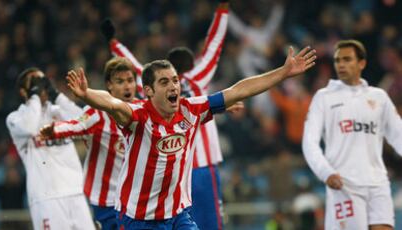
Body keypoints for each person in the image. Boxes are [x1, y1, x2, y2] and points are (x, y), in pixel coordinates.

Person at [65, 45, 316, 229]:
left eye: (174, 80)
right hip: (139, 218)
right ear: (149, 91)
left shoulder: (191, 108)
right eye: (164, 82)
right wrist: (86, 94)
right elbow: (112, 104)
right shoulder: (138, 115)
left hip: (178, 215)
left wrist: (282, 73)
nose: (173, 86)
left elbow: (239, 89)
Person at [100, 1, 229, 228]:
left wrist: (113, 42)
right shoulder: (199, 78)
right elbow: (214, 46)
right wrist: (223, 10)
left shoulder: (155, 83)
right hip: (203, 168)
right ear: (190, 64)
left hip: (170, 179)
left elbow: (132, 65)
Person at [302, 39, 402, 230]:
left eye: (347, 59)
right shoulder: (324, 98)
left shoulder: (379, 97)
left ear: (361, 63)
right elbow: (309, 142)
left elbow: (399, 135)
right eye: (338, 60)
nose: (341, 64)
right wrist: (325, 172)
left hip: (378, 183)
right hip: (344, 184)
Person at [40, 57, 138, 229]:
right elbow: (77, 124)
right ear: (109, 85)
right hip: (105, 200)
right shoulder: (97, 113)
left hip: (134, 199)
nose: (127, 86)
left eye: (130, 80)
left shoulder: (143, 110)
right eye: (120, 81)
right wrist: (55, 130)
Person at [5, 67, 95, 230]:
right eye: (34, 83)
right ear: (22, 92)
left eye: (43, 81)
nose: (41, 86)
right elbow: (30, 128)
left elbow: (86, 122)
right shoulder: (16, 118)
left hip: (75, 191)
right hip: (46, 197)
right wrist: (34, 97)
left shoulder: (58, 111)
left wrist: (56, 95)